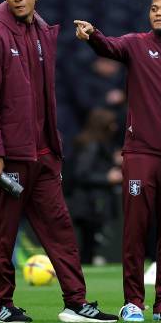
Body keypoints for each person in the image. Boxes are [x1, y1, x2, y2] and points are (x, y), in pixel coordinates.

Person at [0, 0, 117, 323]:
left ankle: (76, 302)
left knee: (60, 228)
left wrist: (54, 148)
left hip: (43, 154)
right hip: (9, 157)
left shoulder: (42, 34)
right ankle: (2, 307)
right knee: (4, 234)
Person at [74, 0, 161, 322]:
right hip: (140, 154)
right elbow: (109, 46)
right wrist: (93, 36)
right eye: (153, 8)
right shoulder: (135, 44)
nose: (157, 13)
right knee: (135, 230)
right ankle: (133, 302)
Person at [71, 108, 122, 265]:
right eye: (111, 124)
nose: (115, 128)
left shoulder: (101, 145)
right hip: (89, 203)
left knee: (91, 244)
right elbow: (81, 174)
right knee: (87, 244)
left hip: (94, 203)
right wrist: (107, 178)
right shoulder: (92, 146)